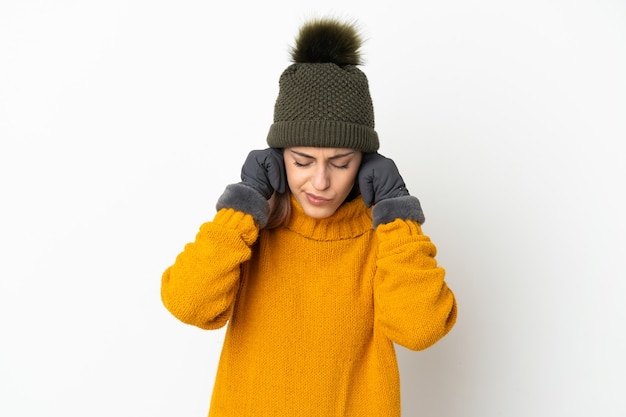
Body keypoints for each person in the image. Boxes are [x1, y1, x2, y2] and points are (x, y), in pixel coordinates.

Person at [161, 17, 457, 417]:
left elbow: (421, 329)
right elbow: (188, 303)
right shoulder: (253, 229)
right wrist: (244, 205)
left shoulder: (380, 239)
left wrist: (395, 215)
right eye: (302, 161)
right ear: (278, 158)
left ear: (366, 164)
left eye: (340, 162)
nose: (320, 181)